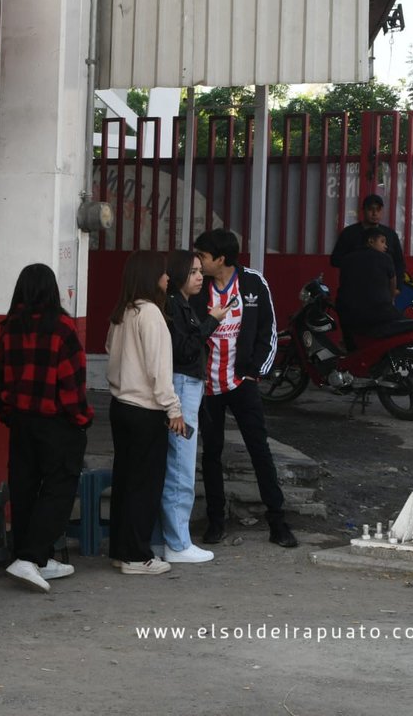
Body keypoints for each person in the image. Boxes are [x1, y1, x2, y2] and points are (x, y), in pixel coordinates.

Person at [190, 229, 297, 549]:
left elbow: (269, 330)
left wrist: (255, 374)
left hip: (242, 383)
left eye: (202, 256)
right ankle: (215, 521)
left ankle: (277, 522)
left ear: (220, 259)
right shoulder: (196, 287)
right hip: (207, 387)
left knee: (259, 450)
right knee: (211, 454)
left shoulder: (252, 282)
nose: (198, 261)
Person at [0, 263, 94, 592]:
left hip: (21, 421)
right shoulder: (62, 328)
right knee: (58, 489)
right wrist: (82, 418)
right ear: (52, 290)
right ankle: (30, 556)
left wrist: (10, 413)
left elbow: (3, 379)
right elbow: (72, 384)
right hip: (57, 423)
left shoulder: (10, 328)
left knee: (24, 488)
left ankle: (34, 558)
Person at [106, 251, 184, 575]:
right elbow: (158, 369)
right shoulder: (151, 314)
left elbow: (111, 354)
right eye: (164, 273)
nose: (168, 279)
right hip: (145, 411)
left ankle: (121, 550)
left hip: (120, 406)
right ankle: (138, 557)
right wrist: (174, 408)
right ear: (152, 277)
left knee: (125, 482)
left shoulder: (124, 311)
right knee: (145, 485)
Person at [152, 250, 227, 564]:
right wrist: (212, 321)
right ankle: (178, 542)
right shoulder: (174, 307)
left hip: (187, 386)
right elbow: (184, 350)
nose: (200, 277)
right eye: (194, 271)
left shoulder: (183, 306)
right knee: (181, 467)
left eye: (200, 271)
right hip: (182, 386)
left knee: (178, 464)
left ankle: (170, 539)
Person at [335, 226, 404, 341]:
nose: (385, 246)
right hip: (380, 313)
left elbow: (343, 284)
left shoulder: (347, 259)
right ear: (371, 241)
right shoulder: (385, 258)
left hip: (349, 314)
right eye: (382, 241)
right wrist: (391, 298)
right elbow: (393, 284)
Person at [331, 193, 405, 283]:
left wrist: (398, 287)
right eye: (370, 209)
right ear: (363, 210)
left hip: (381, 289)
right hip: (354, 286)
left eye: (378, 210)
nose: (375, 213)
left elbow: (399, 262)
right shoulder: (349, 233)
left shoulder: (390, 234)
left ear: (382, 211)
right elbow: (335, 260)